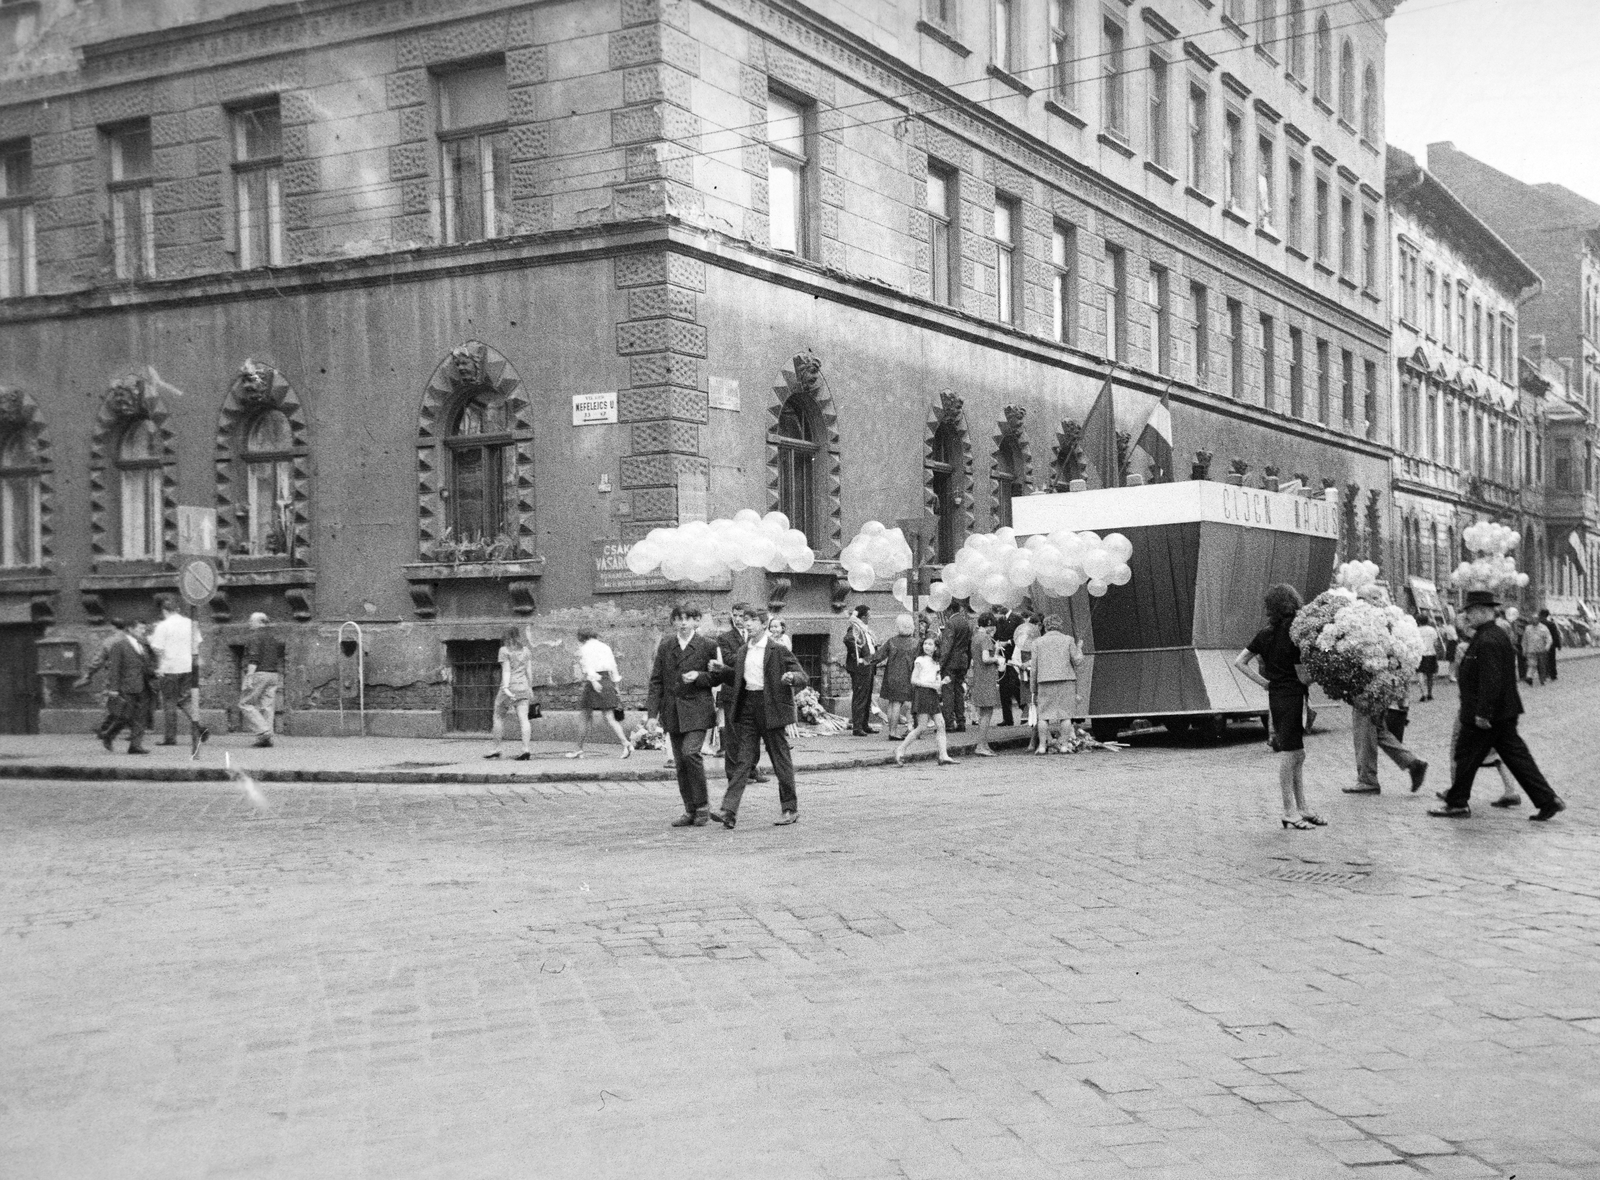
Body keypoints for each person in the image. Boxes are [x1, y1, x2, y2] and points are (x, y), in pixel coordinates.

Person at [1430, 590, 1565, 821]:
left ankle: (1457, 803)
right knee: (1517, 758)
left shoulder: (1488, 639)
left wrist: (1483, 713)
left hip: (1487, 715)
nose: (1468, 616)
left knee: (1465, 754)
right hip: (1502, 713)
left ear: (1483, 611)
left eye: (1470, 612)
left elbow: (1491, 679)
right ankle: (1548, 800)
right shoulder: (1490, 635)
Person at [1234, 584, 1324, 830]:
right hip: (1293, 695)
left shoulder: (1265, 633)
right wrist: (1322, 673)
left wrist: (1266, 684)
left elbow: (1240, 662)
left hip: (1278, 697)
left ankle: (1301, 808)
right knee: (1291, 754)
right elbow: (1303, 677)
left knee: (1298, 753)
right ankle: (1289, 810)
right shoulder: (1296, 633)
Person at [709, 607, 808, 828]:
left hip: (771, 707)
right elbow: (739, 679)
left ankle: (790, 809)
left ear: (764, 624)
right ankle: (728, 811)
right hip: (748, 708)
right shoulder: (744, 650)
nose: (747, 624)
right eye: (745, 620)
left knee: (779, 758)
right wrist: (722, 670)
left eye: (752, 620)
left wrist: (792, 677)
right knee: (743, 760)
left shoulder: (778, 649)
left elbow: (803, 676)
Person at [1343, 585, 1428, 796]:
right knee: (1378, 730)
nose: (1358, 602)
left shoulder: (1370, 621)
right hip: (1383, 684)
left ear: (1372, 598)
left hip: (1369, 684)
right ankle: (1413, 763)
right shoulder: (1390, 619)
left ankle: (1367, 780)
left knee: (1364, 731)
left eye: (1362, 598)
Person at [647, 603, 720, 827]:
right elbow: (657, 681)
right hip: (673, 711)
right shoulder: (666, 645)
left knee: (690, 753)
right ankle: (690, 809)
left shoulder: (708, 645)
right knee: (680, 762)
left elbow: (717, 677)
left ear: (696, 621)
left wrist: (699, 676)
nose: (683, 623)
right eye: (679, 619)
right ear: (673, 622)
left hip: (698, 709)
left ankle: (703, 806)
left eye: (688, 618)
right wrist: (652, 715)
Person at [147, 595, 209, 749]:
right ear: (177, 610)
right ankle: (200, 726)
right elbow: (197, 642)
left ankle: (170, 737)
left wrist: (150, 642)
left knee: (169, 702)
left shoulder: (163, 626)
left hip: (169, 668)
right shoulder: (189, 623)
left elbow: (157, 648)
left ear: (164, 611)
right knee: (185, 699)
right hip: (188, 666)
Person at [570, 627, 631, 759]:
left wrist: (593, 681)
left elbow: (587, 667)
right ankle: (625, 743)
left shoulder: (585, 648)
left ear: (582, 637)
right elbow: (613, 667)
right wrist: (616, 685)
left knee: (584, 716)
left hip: (595, 682)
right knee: (609, 716)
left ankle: (578, 749)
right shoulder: (605, 647)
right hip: (607, 680)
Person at [895, 635, 956, 766]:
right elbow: (914, 680)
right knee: (921, 727)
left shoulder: (936, 663)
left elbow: (936, 681)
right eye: (925, 644)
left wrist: (942, 682)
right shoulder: (920, 660)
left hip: (932, 694)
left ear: (936, 648)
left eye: (930, 644)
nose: (927, 646)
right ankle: (901, 749)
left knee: (941, 724)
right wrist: (931, 685)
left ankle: (943, 755)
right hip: (922, 694)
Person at [1028, 616, 1083, 754]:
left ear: (1045, 626)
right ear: (1060, 626)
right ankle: (1064, 746)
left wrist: (1033, 689)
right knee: (1065, 715)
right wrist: (1080, 648)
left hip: (1044, 681)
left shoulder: (1037, 642)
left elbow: (1034, 668)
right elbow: (1077, 661)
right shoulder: (1068, 640)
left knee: (1043, 716)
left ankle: (1041, 746)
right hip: (1065, 680)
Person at [99, 619, 154, 755]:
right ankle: (108, 734)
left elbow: (146, 665)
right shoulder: (119, 645)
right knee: (126, 716)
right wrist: (113, 689)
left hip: (144, 685)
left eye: (144, 629)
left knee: (141, 717)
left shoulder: (143, 645)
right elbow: (115, 668)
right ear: (130, 629)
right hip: (126, 686)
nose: (143, 631)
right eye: (140, 629)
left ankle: (135, 746)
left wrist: (154, 673)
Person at [484, 627, 535, 761]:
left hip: (509, 688)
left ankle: (496, 749)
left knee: (498, 716)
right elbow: (529, 671)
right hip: (523, 687)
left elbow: (506, 671)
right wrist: (530, 687)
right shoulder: (526, 650)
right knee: (524, 719)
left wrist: (506, 687)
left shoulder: (504, 650)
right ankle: (526, 749)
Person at [74, 617, 128, 742]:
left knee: (113, 703)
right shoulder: (131, 639)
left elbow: (97, 661)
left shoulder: (109, 641)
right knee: (128, 702)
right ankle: (107, 729)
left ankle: (106, 729)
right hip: (130, 676)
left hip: (113, 676)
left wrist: (89, 674)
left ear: (113, 627)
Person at [238, 611, 285, 748]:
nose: (249, 623)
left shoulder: (254, 637)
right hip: (274, 674)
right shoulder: (273, 638)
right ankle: (266, 739)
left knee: (245, 703)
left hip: (259, 673)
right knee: (267, 706)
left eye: (251, 621)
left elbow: (254, 657)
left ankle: (263, 731)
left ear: (260, 622)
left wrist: (249, 676)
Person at [873, 612, 920, 740]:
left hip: (891, 676)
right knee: (902, 704)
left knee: (892, 703)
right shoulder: (916, 643)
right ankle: (904, 730)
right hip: (907, 676)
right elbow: (919, 662)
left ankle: (892, 731)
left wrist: (863, 661)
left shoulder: (891, 641)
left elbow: (878, 656)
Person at [968, 612, 1003, 756]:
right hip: (986, 678)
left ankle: (984, 744)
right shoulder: (986, 638)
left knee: (984, 713)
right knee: (987, 713)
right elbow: (985, 658)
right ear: (990, 625)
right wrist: (997, 658)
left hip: (979, 677)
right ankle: (980, 745)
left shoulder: (976, 636)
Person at [843, 604, 880, 737]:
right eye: (868, 616)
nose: (869, 618)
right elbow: (848, 639)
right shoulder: (855, 627)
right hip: (860, 666)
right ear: (863, 617)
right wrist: (858, 653)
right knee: (860, 696)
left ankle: (864, 724)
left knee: (867, 695)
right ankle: (857, 727)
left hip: (868, 665)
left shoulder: (864, 628)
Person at [937, 603, 972, 732]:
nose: (945, 614)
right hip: (962, 661)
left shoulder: (950, 623)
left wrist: (940, 664)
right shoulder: (966, 622)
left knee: (948, 693)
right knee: (959, 692)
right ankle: (961, 721)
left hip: (951, 662)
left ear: (950, 609)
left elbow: (947, 646)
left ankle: (949, 723)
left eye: (946, 611)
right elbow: (968, 643)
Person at [993, 606, 1024, 727]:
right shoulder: (999, 621)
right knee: (1003, 689)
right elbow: (996, 636)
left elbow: (1022, 636)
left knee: (1015, 686)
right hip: (1002, 657)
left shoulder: (1017, 619)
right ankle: (1007, 718)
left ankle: (1025, 710)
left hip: (1013, 657)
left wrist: (1009, 642)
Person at [1520, 611, 1551, 686]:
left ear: (1538, 619)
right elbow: (1524, 640)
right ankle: (1529, 678)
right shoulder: (1528, 628)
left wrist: (1547, 647)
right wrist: (1524, 650)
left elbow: (1549, 638)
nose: (1534, 620)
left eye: (1536, 619)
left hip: (1541, 650)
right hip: (1531, 650)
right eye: (1533, 619)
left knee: (1541, 666)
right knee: (1531, 665)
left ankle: (1542, 679)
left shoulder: (1543, 628)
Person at [1415, 613, 1440, 701]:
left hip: (1419, 654)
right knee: (1430, 675)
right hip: (1431, 653)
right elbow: (1436, 643)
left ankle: (1423, 694)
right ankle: (1430, 693)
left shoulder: (1416, 630)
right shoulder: (1432, 630)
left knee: (1420, 673)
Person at [1538, 608, 1562, 681]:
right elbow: (1555, 635)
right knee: (1551, 660)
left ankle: (1544, 675)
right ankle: (1553, 675)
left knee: (1541, 660)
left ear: (1541, 615)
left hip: (1540, 644)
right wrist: (1558, 645)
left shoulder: (1538, 624)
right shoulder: (1551, 624)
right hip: (1551, 645)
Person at [1440, 615, 1459, 680]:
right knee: (1453, 660)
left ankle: (1452, 675)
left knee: (1453, 660)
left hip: (1451, 643)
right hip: (1453, 643)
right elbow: (1455, 637)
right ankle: (1451, 675)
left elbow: (1444, 635)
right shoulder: (1450, 628)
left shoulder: (1447, 627)